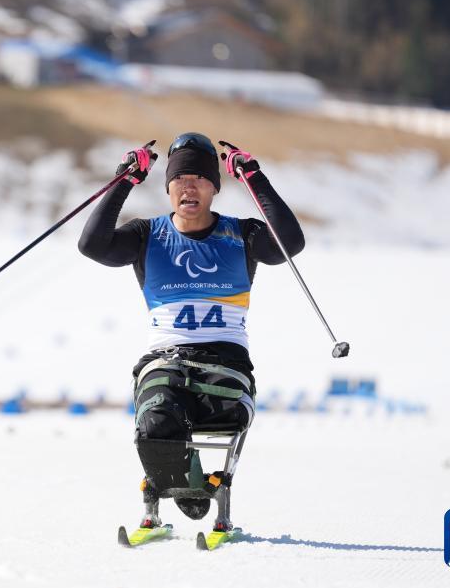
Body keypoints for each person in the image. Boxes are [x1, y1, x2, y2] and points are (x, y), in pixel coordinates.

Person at [78, 132, 305, 532]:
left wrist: (254, 176)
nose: (189, 186)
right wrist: (123, 181)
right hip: (164, 364)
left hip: (226, 367)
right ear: (167, 188)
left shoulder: (243, 235)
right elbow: (92, 245)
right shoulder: (145, 235)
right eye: (180, 180)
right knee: (153, 424)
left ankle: (191, 486)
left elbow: (290, 243)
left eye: (199, 178)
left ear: (214, 188)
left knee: (218, 415)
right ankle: (192, 490)